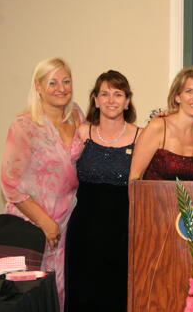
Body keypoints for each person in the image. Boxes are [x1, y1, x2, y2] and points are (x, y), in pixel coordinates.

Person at [0, 58, 84, 311]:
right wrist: (45, 222)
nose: (61, 88)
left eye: (66, 81)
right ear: (38, 87)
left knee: (63, 289)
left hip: (70, 220)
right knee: (31, 293)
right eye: (53, 82)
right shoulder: (24, 126)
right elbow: (10, 184)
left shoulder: (78, 116)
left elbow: (111, 128)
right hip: (33, 223)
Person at [64, 70, 139, 311]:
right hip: (84, 231)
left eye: (118, 94)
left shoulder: (142, 136)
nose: (111, 100)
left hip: (123, 233)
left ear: (127, 101)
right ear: (95, 99)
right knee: (83, 295)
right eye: (104, 94)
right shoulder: (81, 132)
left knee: (118, 296)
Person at [129, 66, 193, 181]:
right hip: (150, 198)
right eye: (189, 91)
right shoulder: (158, 127)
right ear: (177, 97)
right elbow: (135, 177)